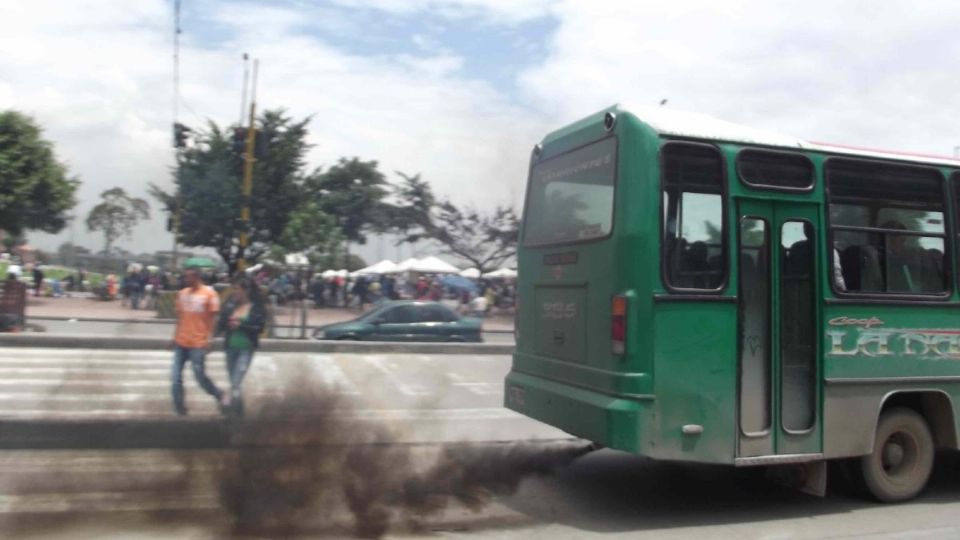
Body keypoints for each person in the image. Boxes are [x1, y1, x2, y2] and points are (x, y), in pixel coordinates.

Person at [170, 267, 226, 416]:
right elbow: (180, 318)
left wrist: (210, 338)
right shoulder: (182, 294)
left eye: (189, 278)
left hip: (198, 343)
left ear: (197, 277)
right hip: (181, 342)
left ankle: (219, 394)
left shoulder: (209, 294)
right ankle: (180, 409)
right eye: (185, 278)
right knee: (175, 378)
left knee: (199, 376)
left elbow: (214, 318)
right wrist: (174, 337)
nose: (186, 280)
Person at [217, 277, 267, 417]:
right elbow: (221, 325)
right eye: (234, 288)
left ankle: (233, 414)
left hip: (246, 348)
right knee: (234, 382)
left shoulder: (255, 308)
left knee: (236, 382)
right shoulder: (230, 306)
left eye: (237, 289)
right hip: (230, 348)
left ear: (246, 290)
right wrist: (226, 324)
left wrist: (241, 325)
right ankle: (239, 413)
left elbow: (259, 328)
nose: (234, 292)